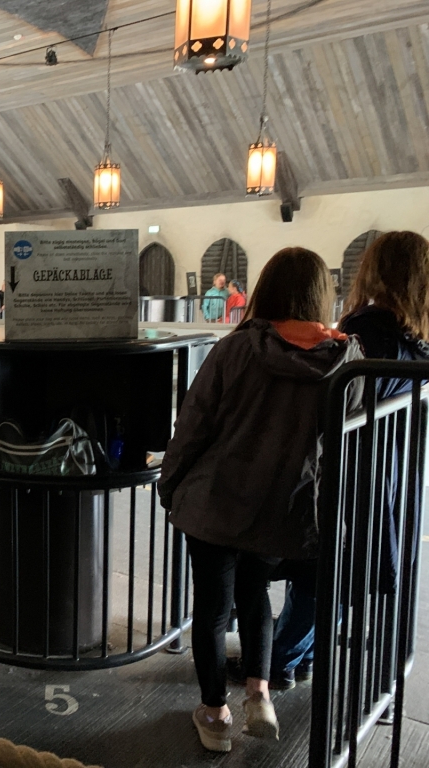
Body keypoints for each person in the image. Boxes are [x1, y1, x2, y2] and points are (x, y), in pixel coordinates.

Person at [158, 248, 362, 753]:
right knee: (256, 601)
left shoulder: (236, 350)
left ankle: (214, 715)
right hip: (282, 510)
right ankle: (259, 695)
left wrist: (171, 483)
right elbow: (345, 438)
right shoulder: (346, 359)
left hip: (215, 503)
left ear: (266, 288)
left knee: (211, 609)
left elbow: (194, 424)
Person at [229, 231, 429, 692]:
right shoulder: (414, 335)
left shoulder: (372, 332)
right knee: (337, 569)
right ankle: (301, 654)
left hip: (352, 470)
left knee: (321, 570)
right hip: (390, 471)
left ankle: (279, 659)